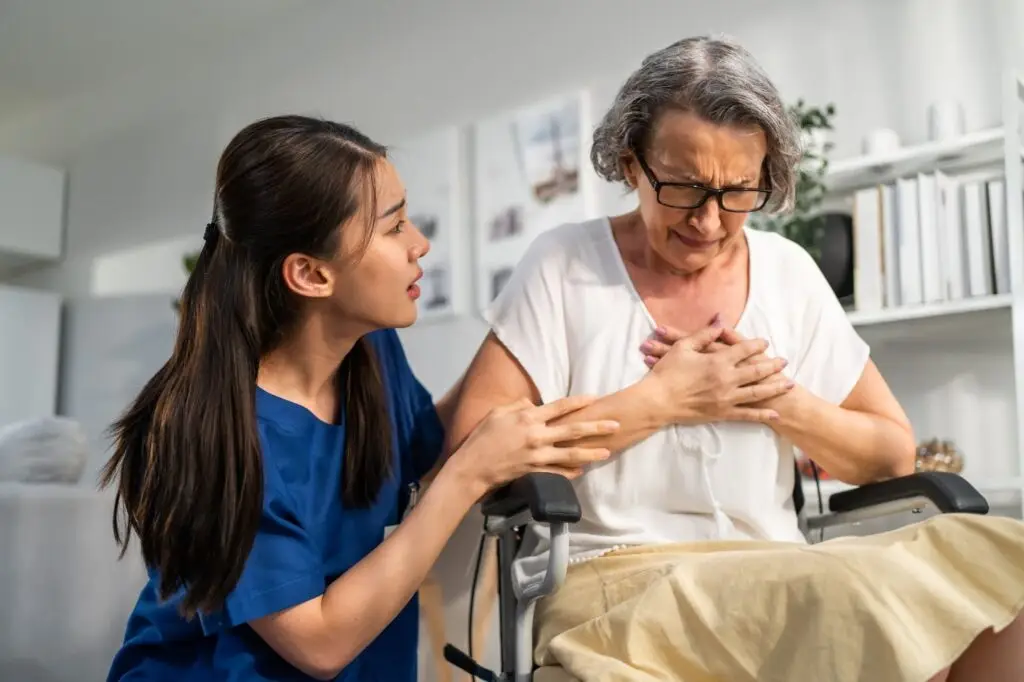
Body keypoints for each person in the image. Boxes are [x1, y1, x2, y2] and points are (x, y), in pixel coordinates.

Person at [448, 36, 1024, 682]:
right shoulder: (563, 267)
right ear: (631, 162)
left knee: (1003, 561)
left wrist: (778, 401)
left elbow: (891, 453)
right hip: (616, 584)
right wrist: (660, 402)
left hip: (774, 571)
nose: (711, 221)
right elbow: (474, 445)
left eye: (738, 192)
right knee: (869, 599)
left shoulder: (787, 273)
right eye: (685, 188)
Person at [99, 115, 622, 682]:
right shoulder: (212, 435)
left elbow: (430, 441)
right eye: (394, 227)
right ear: (310, 274)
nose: (420, 243)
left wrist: (515, 333)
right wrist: (468, 475)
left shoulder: (371, 353)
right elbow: (320, 644)